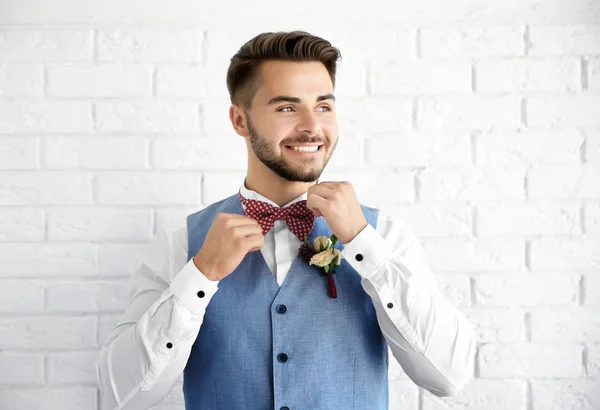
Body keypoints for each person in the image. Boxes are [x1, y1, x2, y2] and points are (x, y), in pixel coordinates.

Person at [96, 30, 477, 410]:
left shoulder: (384, 235)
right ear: (240, 120)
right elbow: (121, 396)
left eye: (324, 106)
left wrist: (365, 245)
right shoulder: (180, 243)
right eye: (287, 108)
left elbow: (448, 377)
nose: (312, 126)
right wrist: (201, 273)